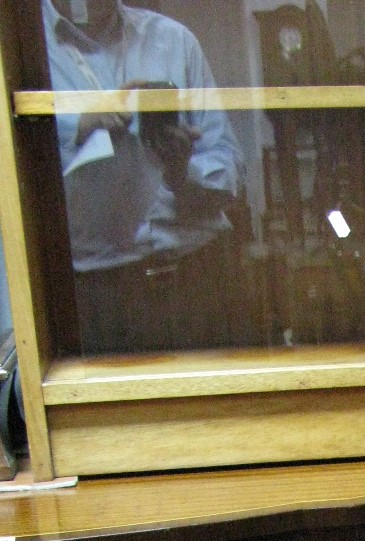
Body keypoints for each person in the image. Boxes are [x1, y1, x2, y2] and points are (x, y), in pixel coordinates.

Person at [42, 0, 246, 353]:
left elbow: (231, 169)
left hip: (200, 277)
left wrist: (183, 174)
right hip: (95, 296)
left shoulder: (174, 41)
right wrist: (76, 130)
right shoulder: (22, 55)